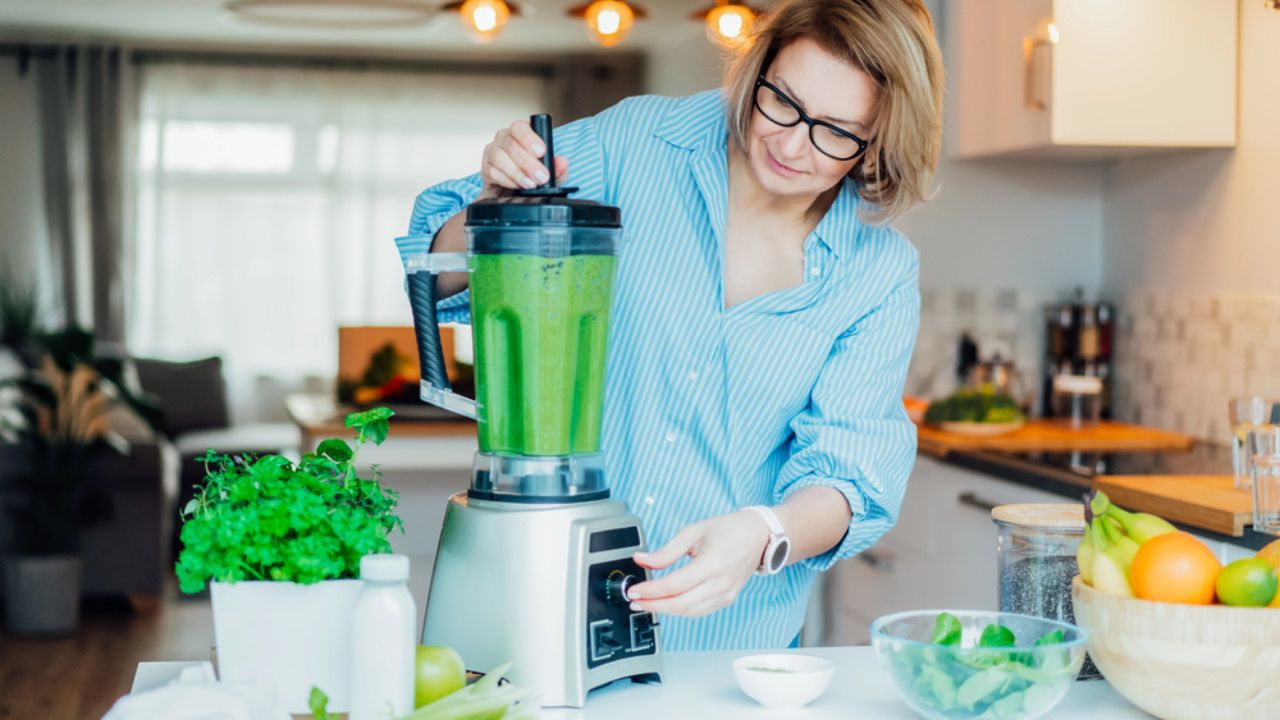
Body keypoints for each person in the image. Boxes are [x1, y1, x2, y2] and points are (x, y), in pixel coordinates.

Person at [398, 0, 944, 650]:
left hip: (727, 643)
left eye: (836, 132)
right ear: (758, 67)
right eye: (782, 102)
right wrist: (495, 207)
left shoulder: (875, 272)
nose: (792, 144)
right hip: (548, 610)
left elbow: (849, 476)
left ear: (877, 139)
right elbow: (441, 270)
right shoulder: (633, 142)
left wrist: (764, 533)